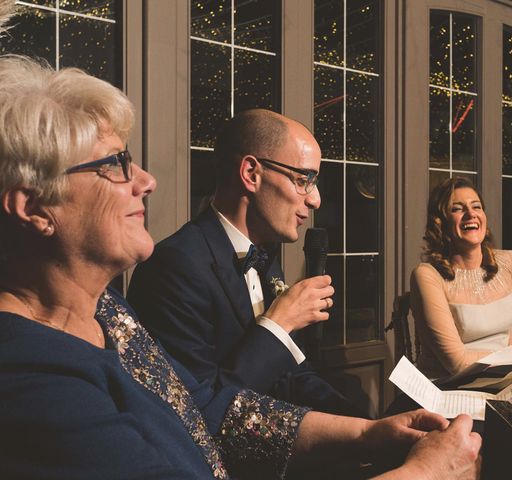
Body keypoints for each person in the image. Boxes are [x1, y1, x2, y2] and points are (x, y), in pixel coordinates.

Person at [0, 55, 482, 479]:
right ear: (35, 208)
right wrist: (425, 474)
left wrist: (366, 433)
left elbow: (206, 409)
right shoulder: (28, 375)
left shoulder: (110, 313)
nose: (146, 180)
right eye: (115, 164)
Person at [127, 109, 362, 416]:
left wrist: (370, 429)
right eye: (304, 179)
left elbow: (295, 376)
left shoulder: (266, 256)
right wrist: (279, 324)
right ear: (251, 174)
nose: (315, 199)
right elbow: (196, 415)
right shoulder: (173, 269)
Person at [411, 177, 512, 380]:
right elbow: (458, 363)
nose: (471, 214)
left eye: (476, 207)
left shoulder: (510, 263)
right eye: (457, 209)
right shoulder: (427, 275)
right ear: (440, 222)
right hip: (450, 387)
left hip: (503, 380)